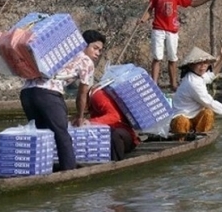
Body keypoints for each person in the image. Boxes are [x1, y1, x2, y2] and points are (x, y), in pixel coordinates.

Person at [19, 29, 106, 171]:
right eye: (95, 48)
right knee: (62, 136)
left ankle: (40, 169)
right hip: (48, 95)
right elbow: (82, 94)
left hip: (26, 93)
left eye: (100, 51)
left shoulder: (61, 53)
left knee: (41, 134)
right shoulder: (86, 62)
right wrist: (80, 116)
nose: (97, 53)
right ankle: (69, 172)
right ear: (84, 45)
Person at [138, 0, 213, 92]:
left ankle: (173, 84)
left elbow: (192, 3)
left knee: (172, 58)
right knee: (157, 57)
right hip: (158, 29)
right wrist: (143, 19)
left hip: (172, 30)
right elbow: (150, 9)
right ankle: (154, 84)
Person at [170, 46, 222, 137]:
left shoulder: (198, 76)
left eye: (205, 63)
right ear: (191, 65)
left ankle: (200, 136)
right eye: (199, 63)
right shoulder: (192, 82)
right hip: (182, 119)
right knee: (182, 122)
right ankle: (182, 140)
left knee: (207, 113)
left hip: (195, 117)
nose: (203, 66)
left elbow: (211, 76)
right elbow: (210, 103)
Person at [87, 83, 140, 161]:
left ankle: (117, 162)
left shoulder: (97, 96)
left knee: (114, 134)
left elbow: (114, 116)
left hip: (122, 136)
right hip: (116, 137)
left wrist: (90, 122)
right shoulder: (96, 96)